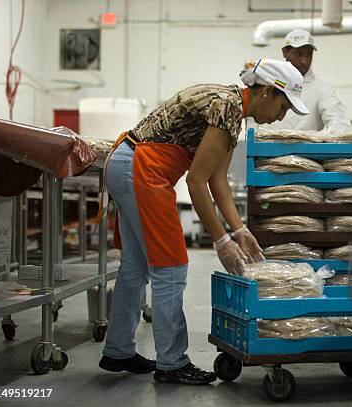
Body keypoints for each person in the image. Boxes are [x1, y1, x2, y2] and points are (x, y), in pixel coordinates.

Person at [98, 58, 309, 385]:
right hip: (142, 169)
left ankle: (118, 350)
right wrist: (221, 241)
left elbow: (217, 181)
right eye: (283, 106)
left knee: (135, 266)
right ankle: (171, 362)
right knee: (171, 267)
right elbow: (197, 182)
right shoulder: (226, 108)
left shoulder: (231, 110)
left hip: (128, 161)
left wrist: (240, 231)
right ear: (266, 91)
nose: (282, 116)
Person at [262, 29, 350, 133]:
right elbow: (253, 123)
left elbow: (339, 125)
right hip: (266, 148)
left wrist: (314, 141)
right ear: (285, 52)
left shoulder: (322, 87)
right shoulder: (268, 81)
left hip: (307, 149)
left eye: (309, 55)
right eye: (298, 54)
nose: (305, 61)